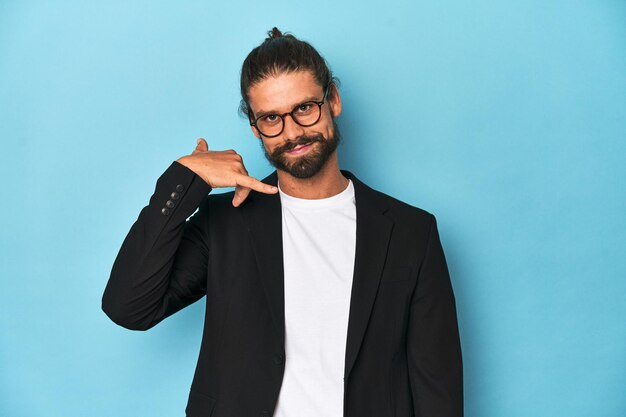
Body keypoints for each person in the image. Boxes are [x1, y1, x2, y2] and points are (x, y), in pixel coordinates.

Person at [102, 27, 463, 417]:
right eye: (271, 118)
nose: (292, 132)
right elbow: (129, 306)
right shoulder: (226, 223)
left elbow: (436, 389)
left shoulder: (412, 233)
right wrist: (185, 179)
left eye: (304, 108)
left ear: (333, 100)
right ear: (255, 128)